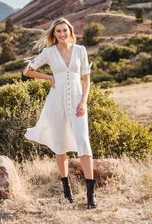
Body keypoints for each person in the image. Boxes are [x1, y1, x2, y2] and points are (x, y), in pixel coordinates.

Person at [22, 17, 97, 209]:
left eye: (65, 30)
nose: (62, 34)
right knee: (60, 144)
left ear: (70, 31)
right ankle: (67, 189)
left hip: (78, 103)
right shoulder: (49, 52)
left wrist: (83, 101)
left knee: (84, 143)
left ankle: (91, 195)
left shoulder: (80, 51)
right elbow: (27, 71)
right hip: (56, 102)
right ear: (54, 34)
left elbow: (86, 79)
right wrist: (48, 77)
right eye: (58, 31)